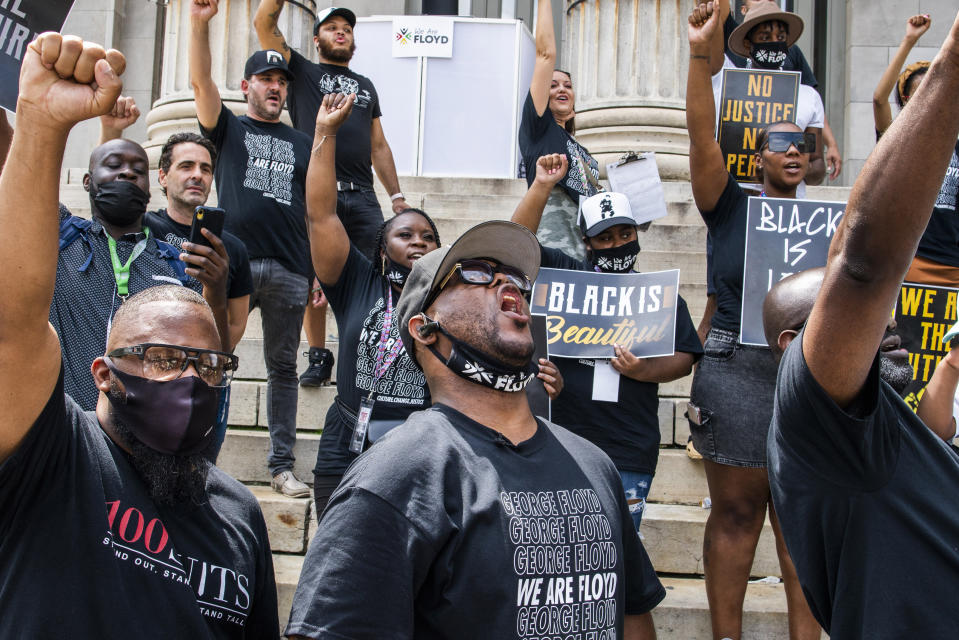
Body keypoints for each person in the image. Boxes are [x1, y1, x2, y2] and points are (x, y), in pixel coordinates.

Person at [0, 31, 278, 637]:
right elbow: (12, 328)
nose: (186, 377)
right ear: (105, 372)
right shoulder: (54, 463)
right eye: (158, 357)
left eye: (205, 364)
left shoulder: (240, 517)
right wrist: (40, 127)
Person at [285, 217, 665, 639]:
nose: (508, 284)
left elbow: (632, 618)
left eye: (516, 278)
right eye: (476, 273)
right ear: (424, 330)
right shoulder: (395, 478)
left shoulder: (594, 464)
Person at [763, 16, 959, 628]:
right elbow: (864, 263)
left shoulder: (874, 425)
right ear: (798, 349)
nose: (888, 324)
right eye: (865, 322)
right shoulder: (813, 421)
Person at [685, 4, 821, 639]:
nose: (794, 150)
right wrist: (699, 55)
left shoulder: (827, 225)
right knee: (737, 515)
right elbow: (699, 137)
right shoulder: (728, 204)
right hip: (736, 372)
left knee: (802, 524)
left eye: (804, 143)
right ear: (756, 155)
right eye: (780, 142)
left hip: (803, 375)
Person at [512, 153, 703, 532]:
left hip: (629, 444)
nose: (617, 244)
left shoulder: (659, 295)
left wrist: (645, 370)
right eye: (605, 237)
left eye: (625, 235)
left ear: (636, 234)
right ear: (586, 242)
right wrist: (542, 186)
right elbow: (517, 245)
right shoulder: (563, 275)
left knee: (618, 544)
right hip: (563, 436)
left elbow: (685, 356)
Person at [190, 0, 312, 497]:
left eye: (281, 81)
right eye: (266, 80)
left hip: (289, 267)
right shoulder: (229, 129)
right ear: (247, 88)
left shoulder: (304, 142)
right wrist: (200, 26)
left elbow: (316, 210)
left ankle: (281, 467)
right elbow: (200, 85)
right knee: (213, 357)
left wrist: (319, 272)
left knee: (284, 368)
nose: (276, 87)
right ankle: (199, 456)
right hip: (231, 264)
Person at [254, 2, 411, 384]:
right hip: (316, 192)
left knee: (379, 274)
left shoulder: (366, 85)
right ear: (316, 38)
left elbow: (379, 145)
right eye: (332, 27)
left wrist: (396, 196)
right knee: (314, 275)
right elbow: (264, 24)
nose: (341, 32)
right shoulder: (302, 72)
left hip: (362, 196)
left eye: (347, 28)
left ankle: (367, 350)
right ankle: (320, 356)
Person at [53, 130, 232, 413]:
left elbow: (214, 358)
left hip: (148, 428)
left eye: (138, 170)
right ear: (88, 181)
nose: (127, 174)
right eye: (114, 166)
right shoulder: (59, 238)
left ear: (150, 191)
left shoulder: (176, 264)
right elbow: (17, 172)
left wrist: (217, 292)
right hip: (67, 427)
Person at [873, 14, 959, 288]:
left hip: (954, 264)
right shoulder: (897, 141)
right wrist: (909, 40)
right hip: (912, 262)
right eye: (918, 94)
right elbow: (878, 100)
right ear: (907, 100)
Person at [717, 0, 841, 180]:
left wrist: (789, 165)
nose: (774, 43)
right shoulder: (728, 84)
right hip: (738, 200)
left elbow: (817, 166)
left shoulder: (807, 97)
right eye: (765, 38)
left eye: (781, 38)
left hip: (786, 206)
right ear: (747, 44)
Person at [519, 0, 601, 262]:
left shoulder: (580, 151)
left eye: (567, 85)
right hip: (552, 250)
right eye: (552, 85)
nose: (561, 89)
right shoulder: (539, 130)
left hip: (584, 255)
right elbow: (545, 54)